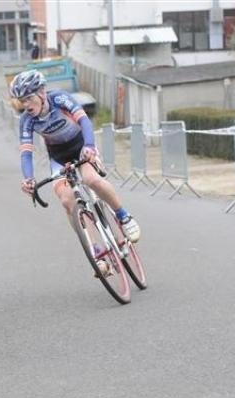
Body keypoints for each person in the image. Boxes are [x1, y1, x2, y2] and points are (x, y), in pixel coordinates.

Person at [10, 70, 141, 274]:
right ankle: (95, 249)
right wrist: (28, 178)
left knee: (90, 179)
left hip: (81, 146)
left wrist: (89, 145)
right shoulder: (26, 120)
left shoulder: (60, 99)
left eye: (28, 98)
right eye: (21, 100)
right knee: (66, 201)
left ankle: (124, 216)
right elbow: (26, 153)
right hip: (58, 157)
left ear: (42, 92)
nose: (26, 104)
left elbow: (84, 121)